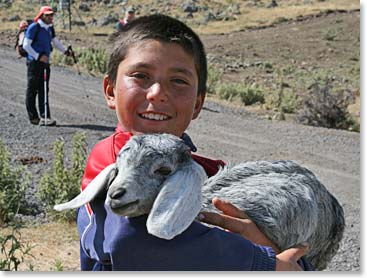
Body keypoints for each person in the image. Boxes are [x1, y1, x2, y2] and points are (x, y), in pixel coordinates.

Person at [77, 14, 312, 271]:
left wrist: (281, 256)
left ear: (198, 104)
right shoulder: (112, 160)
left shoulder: (200, 169)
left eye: (178, 81)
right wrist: (264, 262)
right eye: (141, 75)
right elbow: (131, 239)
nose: (157, 93)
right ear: (111, 91)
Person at [23, 6, 71, 126]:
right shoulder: (34, 27)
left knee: (44, 89)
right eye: (47, 15)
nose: (50, 17)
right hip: (34, 63)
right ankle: (33, 117)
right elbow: (26, 45)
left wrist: (65, 51)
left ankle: (45, 117)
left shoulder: (50, 28)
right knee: (32, 90)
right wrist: (38, 56)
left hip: (45, 63)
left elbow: (55, 42)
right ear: (41, 15)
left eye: (51, 15)